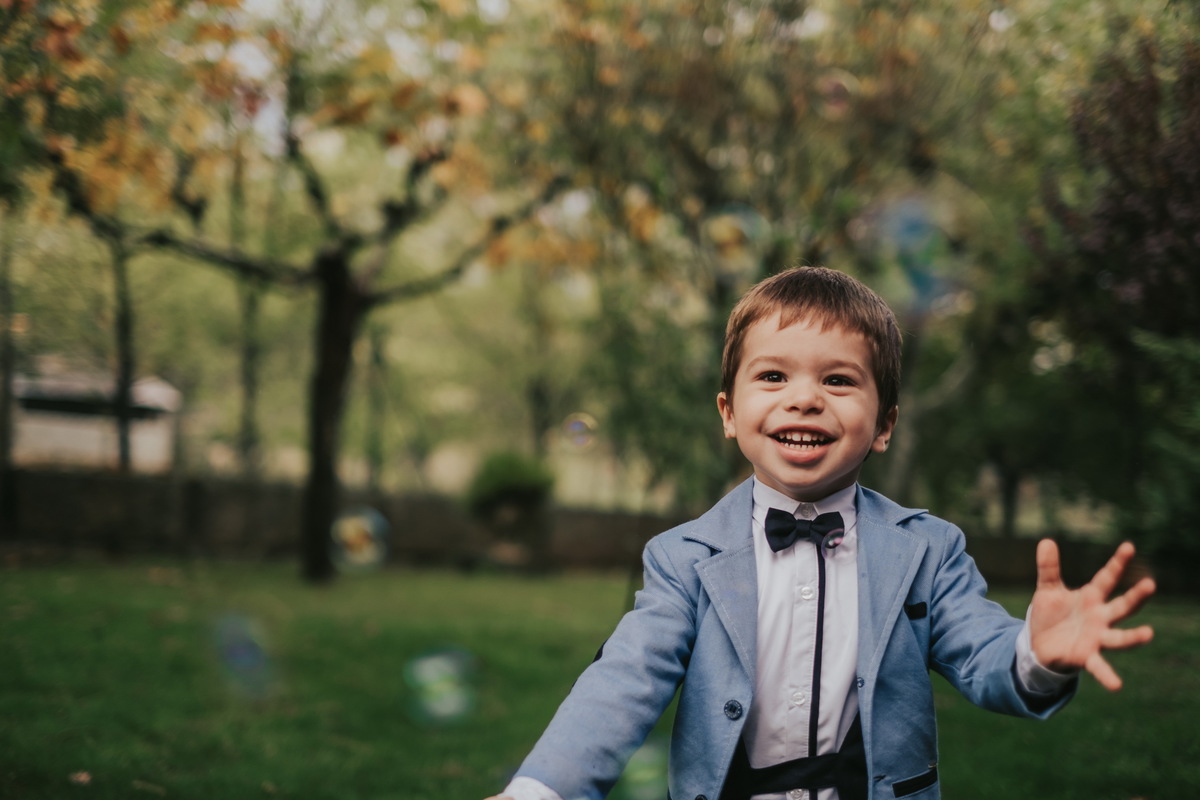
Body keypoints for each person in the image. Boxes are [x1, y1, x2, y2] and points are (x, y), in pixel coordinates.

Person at [485, 266, 1156, 800]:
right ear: (729, 412)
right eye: (773, 376)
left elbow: (983, 655)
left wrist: (1037, 654)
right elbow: (623, 680)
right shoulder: (682, 558)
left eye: (838, 380)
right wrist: (539, 790)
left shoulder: (928, 550)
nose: (804, 399)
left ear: (884, 424)